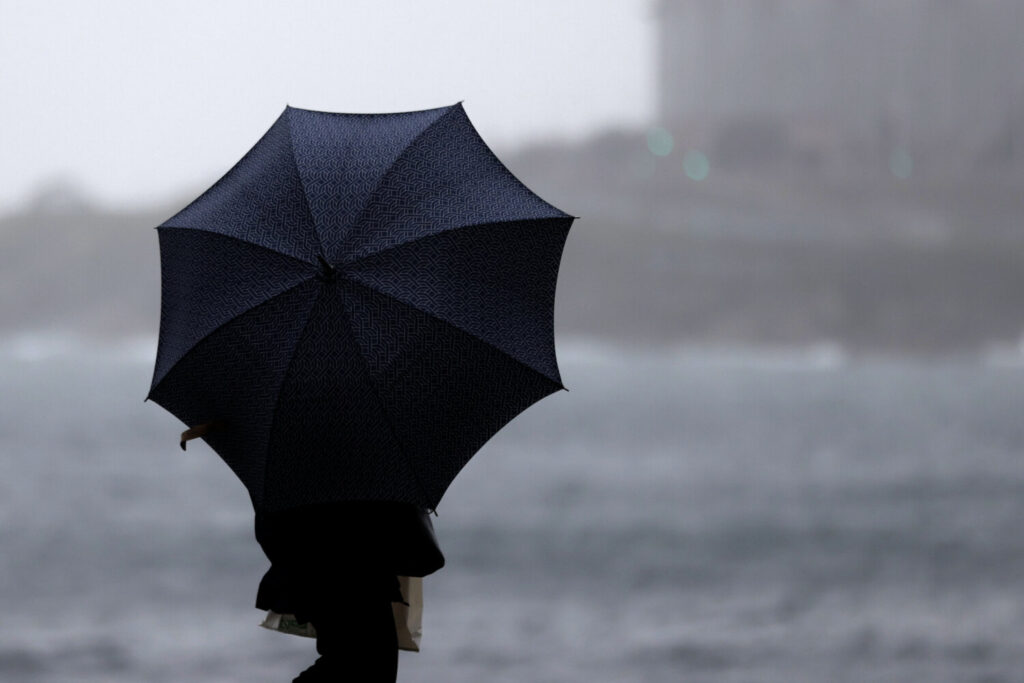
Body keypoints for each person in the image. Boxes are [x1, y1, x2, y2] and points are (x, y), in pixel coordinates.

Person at [254, 501, 444, 682]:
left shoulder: (292, 480)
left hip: (329, 577)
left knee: (355, 662)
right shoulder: (364, 477)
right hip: (354, 580)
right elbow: (425, 558)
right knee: (362, 663)